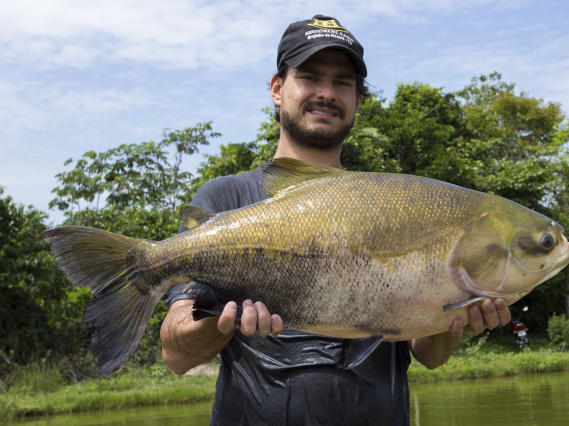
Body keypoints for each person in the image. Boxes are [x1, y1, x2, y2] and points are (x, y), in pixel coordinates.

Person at [160, 15, 511, 425]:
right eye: (310, 77)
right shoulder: (225, 199)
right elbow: (176, 354)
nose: (326, 93)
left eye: (343, 83)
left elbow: (428, 356)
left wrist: (455, 321)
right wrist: (221, 325)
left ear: (358, 100)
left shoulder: (390, 203)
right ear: (277, 89)